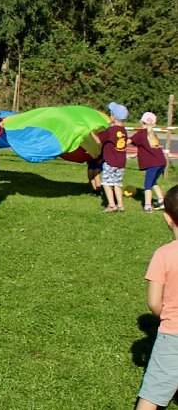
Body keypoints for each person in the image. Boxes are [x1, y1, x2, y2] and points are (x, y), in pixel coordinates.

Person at [135, 185, 178, 410]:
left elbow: (153, 301)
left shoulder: (163, 255)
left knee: (152, 396)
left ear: (167, 218)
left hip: (173, 335)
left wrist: (166, 316)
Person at [90, 102, 129, 212]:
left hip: (110, 162)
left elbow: (98, 140)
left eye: (111, 113)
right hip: (121, 163)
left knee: (106, 183)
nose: (109, 115)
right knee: (117, 184)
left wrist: (91, 131)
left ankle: (112, 205)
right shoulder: (123, 131)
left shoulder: (111, 131)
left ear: (114, 117)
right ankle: (120, 205)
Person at [130, 112, 167, 213]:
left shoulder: (141, 134)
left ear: (141, 121)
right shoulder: (153, 134)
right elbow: (148, 149)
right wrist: (135, 155)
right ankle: (161, 201)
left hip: (153, 164)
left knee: (147, 185)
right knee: (153, 182)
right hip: (162, 162)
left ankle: (147, 206)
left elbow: (127, 141)